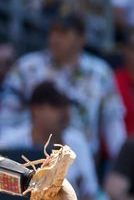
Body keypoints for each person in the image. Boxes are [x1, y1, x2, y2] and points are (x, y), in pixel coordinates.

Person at [0, 12, 126, 160]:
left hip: (83, 160)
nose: (55, 39)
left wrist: (122, 164)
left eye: (63, 33)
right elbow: (6, 119)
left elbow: (113, 124)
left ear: (82, 38)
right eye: (53, 31)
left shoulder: (100, 72)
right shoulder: (27, 67)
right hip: (33, 158)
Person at [0, 80, 98, 200]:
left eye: (67, 105)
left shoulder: (77, 141)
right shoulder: (10, 143)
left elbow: (90, 193)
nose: (64, 112)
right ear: (36, 110)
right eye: (56, 105)